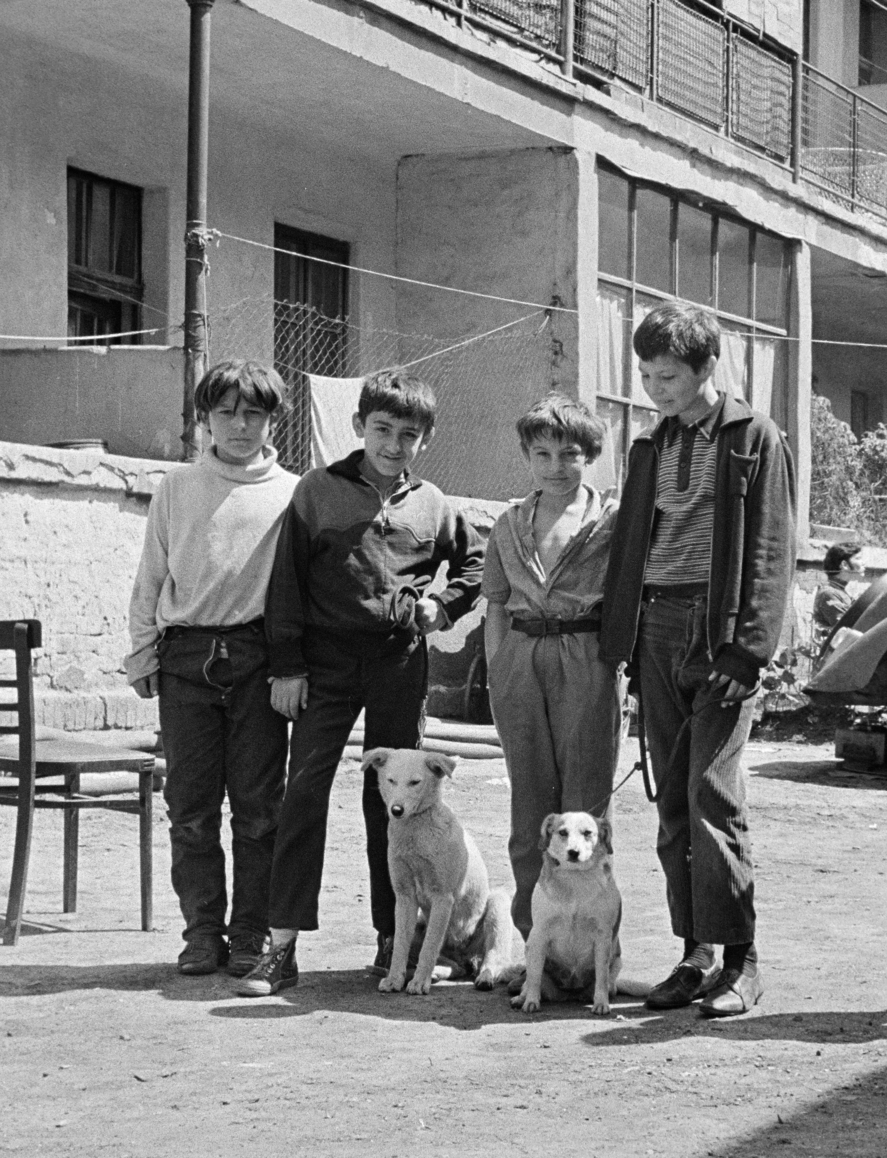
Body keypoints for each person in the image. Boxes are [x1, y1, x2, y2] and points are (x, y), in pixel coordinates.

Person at [237, 368, 484, 997]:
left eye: (408, 435)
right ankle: (282, 945)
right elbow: (285, 583)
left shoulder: (431, 503)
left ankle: (389, 940)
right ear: (358, 427)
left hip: (399, 664)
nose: (394, 445)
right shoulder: (318, 490)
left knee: (394, 803)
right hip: (323, 666)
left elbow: (475, 563)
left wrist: (443, 607)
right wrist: (287, 666)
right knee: (304, 795)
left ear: (424, 441)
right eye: (382, 430)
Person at [599, 301, 795, 1019]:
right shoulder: (650, 446)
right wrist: (621, 640)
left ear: (707, 367)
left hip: (719, 641)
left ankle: (742, 962)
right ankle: (695, 954)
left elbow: (772, 547)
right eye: (648, 375)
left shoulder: (753, 437)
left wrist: (749, 652)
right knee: (673, 803)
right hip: (656, 629)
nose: (658, 388)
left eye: (671, 375)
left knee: (715, 795)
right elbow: (632, 545)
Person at [125, 360, 300, 979]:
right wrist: (141, 649)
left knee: (258, 809)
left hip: (258, 664)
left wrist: (291, 668)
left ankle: (250, 934)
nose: (240, 425)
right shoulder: (177, 488)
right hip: (185, 662)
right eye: (226, 412)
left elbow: (298, 592)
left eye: (254, 413)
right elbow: (152, 574)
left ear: (272, 419)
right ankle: (201, 933)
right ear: (205, 419)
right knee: (190, 808)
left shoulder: (291, 492)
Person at [482, 394, 624, 939]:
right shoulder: (509, 522)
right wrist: (500, 671)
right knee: (529, 807)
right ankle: (532, 939)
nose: (555, 466)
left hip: (585, 655)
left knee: (585, 805)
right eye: (541, 454)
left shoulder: (609, 519)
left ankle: (590, 944)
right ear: (526, 456)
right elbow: (495, 602)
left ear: (590, 455)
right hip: (521, 655)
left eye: (569, 454)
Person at [812, 541, 863, 635]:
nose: (863, 563)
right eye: (858, 558)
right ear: (844, 565)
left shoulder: (838, 590)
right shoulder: (828, 593)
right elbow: (851, 627)